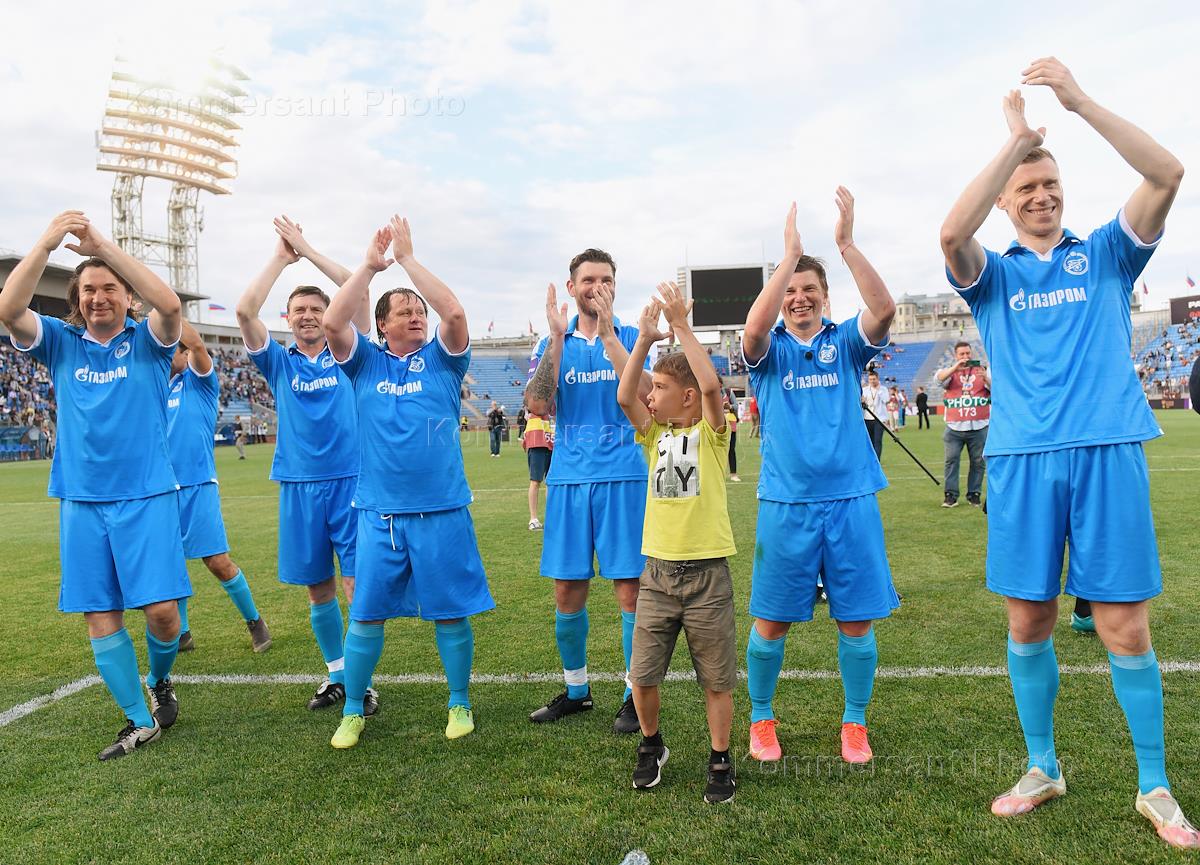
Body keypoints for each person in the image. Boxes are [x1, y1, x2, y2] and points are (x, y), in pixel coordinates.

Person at [940, 58, 1196, 847]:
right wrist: (1015, 143)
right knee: (1029, 619)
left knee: (1124, 626)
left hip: (1107, 450)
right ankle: (1042, 765)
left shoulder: (1108, 253)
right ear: (1007, 199)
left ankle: (1154, 784)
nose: (1041, 194)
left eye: (1049, 183)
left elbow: (1168, 172)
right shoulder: (992, 276)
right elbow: (951, 233)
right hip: (1023, 460)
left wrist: (1078, 103)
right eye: (1026, 186)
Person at [0, 212, 189, 760]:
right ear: (76, 300)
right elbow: (9, 309)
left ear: (128, 297)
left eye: (109, 288)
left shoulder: (149, 341)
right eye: (88, 290)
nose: (98, 297)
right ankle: (139, 720)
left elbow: (170, 305)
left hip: (147, 495)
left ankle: (158, 681)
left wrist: (101, 246)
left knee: (163, 614)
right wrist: (46, 243)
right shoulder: (61, 342)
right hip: (82, 500)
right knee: (99, 612)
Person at [741, 191, 900, 766]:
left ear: (826, 297)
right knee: (771, 621)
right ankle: (762, 718)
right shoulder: (768, 350)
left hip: (851, 499)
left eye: (809, 289)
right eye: (790, 290)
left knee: (856, 622)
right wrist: (788, 259)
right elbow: (753, 330)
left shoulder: (844, 342)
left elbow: (883, 309)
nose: (799, 297)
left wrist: (846, 245)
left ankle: (854, 722)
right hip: (787, 503)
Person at [325, 216, 494, 748]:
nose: (417, 315)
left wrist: (407, 260)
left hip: (441, 510)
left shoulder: (443, 361)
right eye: (404, 311)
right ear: (382, 326)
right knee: (365, 617)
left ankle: (459, 702)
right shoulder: (365, 363)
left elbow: (455, 313)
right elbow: (333, 322)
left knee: (451, 614)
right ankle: (353, 709)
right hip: (380, 515)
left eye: (419, 310)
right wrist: (369, 267)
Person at [236, 215, 374, 714]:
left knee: (356, 587)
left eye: (317, 308)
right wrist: (280, 257)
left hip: (352, 481)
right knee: (318, 589)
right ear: (289, 318)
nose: (310, 316)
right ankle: (336, 674)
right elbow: (244, 310)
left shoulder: (349, 352)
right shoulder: (279, 361)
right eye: (300, 310)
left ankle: (362, 683)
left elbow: (357, 290)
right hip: (299, 483)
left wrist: (307, 249)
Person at [616, 283, 737, 804]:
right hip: (658, 576)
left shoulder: (711, 433)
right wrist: (644, 340)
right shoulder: (653, 436)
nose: (651, 394)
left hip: (708, 575)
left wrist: (682, 327)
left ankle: (720, 757)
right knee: (642, 676)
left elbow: (709, 386)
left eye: (661, 387)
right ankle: (652, 744)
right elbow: (625, 396)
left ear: (685, 397)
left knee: (717, 679)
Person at [525, 248, 653, 735]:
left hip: (624, 477)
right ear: (572, 286)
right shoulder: (552, 341)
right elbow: (537, 403)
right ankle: (576, 691)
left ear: (615, 286)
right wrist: (557, 340)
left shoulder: (634, 337)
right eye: (588, 280)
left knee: (630, 590)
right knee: (566, 590)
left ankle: (632, 694)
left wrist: (611, 335)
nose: (597, 287)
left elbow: (646, 395)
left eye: (605, 280)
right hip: (569, 480)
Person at [166, 320, 271, 653]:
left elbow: (197, 345)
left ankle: (255, 622)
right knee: (170, 561)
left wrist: (168, 312)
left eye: (173, 350)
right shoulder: (156, 388)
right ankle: (182, 633)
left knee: (216, 561)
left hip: (198, 484)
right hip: (162, 489)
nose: (167, 355)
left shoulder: (199, 382)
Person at [935, 341, 991, 508]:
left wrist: (986, 378)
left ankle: (974, 494)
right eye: (962, 354)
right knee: (951, 461)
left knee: (978, 462)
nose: (965, 357)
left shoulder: (983, 370)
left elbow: (997, 390)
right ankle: (950, 495)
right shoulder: (950, 372)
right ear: (956, 355)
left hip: (979, 426)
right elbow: (939, 379)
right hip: (955, 427)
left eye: (968, 353)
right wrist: (955, 368)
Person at [523, 407, 553, 530]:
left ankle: (551, 518)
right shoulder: (534, 400)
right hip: (537, 441)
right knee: (535, 481)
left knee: (551, 482)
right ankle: (533, 519)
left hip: (553, 441)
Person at [861, 369, 888, 459]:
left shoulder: (883, 389)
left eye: (874, 379)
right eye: (870, 379)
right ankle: (871, 460)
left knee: (877, 441)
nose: (872, 381)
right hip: (867, 418)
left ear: (877, 379)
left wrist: (878, 390)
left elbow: (886, 400)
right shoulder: (864, 390)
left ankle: (877, 461)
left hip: (879, 419)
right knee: (869, 442)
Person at [724, 398, 741, 482]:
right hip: (716, 424)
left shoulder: (728, 392)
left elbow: (736, 406)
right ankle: (718, 474)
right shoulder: (711, 392)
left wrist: (729, 406)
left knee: (731, 449)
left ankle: (733, 474)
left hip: (731, 424)